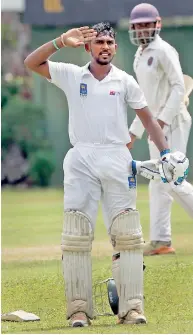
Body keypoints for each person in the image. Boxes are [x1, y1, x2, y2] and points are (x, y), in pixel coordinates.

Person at [24, 22, 188, 326]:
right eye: (99, 42)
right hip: (81, 157)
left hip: (116, 157)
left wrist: (165, 153)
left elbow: (149, 120)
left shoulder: (125, 81)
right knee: (76, 236)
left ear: (115, 47)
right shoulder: (72, 75)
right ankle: (79, 310)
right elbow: (31, 62)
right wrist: (60, 41)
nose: (106, 47)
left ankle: (132, 308)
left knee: (127, 235)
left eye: (110, 42)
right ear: (88, 46)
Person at [128, 3, 192, 256]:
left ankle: (161, 240)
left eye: (147, 24)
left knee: (173, 179)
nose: (143, 29)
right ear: (133, 28)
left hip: (173, 122)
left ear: (157, 24)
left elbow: (178, 86)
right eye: (138, 25)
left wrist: (163, 121)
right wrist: (134, 132)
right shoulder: (139, 56)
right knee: (159, 182)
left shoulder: (164, 50)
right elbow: (145, 100)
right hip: (155, 126)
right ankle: (161, 240)